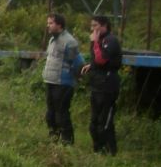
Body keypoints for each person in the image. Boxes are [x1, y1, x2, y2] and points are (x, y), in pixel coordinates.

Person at [81, 15, 123, 154]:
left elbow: (102, 60)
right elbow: (97, 61)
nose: (92, 29)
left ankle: (109, 152)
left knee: (104, 123)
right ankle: (98, 150)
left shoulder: (110, 40)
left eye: (95, 26)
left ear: (104, 25)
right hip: (96, 85)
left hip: (107, 86)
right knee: (93, 123)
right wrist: (91, 65)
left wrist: (95, 43)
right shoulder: (99, 40)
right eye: (91, 26)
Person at [42, 13, 84, 144]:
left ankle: (67, 141)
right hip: (51, 81)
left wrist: (76, 77)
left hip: (63, 83)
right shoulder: (52, 40)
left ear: (59, 25)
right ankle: (54, 139)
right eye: (48, 23)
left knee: (61, 114)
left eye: (50, 23)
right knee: (51, 114)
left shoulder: (69, 42)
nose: (48, 26)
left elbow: (78, 62)